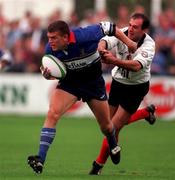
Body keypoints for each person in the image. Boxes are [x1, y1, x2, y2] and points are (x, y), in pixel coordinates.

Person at [27, 20, 137, 174]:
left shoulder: (85, 35)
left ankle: (113, 144)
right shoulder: (50, 50)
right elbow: (52, 72)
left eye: (54, 38)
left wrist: (130, 43)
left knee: (106, 126)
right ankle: (40, 159)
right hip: (70, 84)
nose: (50, 41)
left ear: (66, 37)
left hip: (93, 84)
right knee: (52, 113)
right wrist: (47, 75)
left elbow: (111, 27)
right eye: (48, 37)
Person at [89, 13, 156, 175]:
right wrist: (102, 48)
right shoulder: (123, 33)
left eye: (136, 27)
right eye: (130, 25)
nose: (131, 29)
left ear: (145, 30)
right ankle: (145, 113)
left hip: (136, 88)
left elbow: (135, 66)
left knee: (113, 127)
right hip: (118, 84)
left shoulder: (149, 44)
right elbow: (105, 40)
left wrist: (113, 61)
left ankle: (97, 166)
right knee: (108, 126)